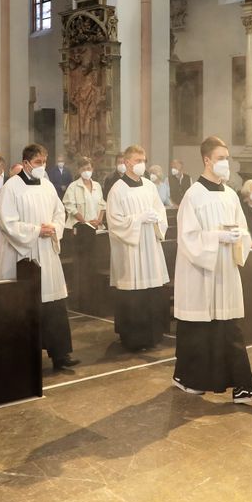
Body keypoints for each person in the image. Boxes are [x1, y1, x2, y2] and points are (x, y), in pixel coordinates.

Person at [172, 135, 252, 403]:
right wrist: (216, 237)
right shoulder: (193, 195)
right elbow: (188, 238)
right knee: (198, 329)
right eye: (221, 159)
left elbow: (242, 229)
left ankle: (242, 386)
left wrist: (239, 237)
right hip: (201, 271)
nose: (226, 163)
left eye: (227, 158)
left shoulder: (230, 195)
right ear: (207, 160)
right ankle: (187, 377)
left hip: (225, 270)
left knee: (230, 327)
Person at [0, 143, 78, 370]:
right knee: (24, 306)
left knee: (54, 304)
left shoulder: (48, 186)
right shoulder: (10, 188)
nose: (43, 166)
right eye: (39, 162)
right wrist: (36, 230)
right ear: (26, 163)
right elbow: (7, 222)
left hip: (47, 252)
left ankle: (60, 355)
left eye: (45, 162)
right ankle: (20, 356)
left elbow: (60, 213)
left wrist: (54, 228)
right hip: (22, 256)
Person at [106, 145, 170, 351]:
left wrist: (157, 219)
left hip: (150, 245)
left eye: (144, 160)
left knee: (151, 292)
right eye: (137, 160)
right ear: (126, 163)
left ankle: (153, 335)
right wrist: (137, 219)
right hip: (130, 249)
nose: (142, 164)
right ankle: (132, 338)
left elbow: (160, 211)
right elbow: (114, 222)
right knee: (133, 294)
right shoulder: (117, 189)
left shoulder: (150, 186)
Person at [62, 157, 105, 232]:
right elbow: (70, 207)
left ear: (92, 169)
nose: (86, 171)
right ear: (79, 170)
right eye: (83, 169)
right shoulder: (73, 186)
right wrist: (86, 223)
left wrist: (99, 221)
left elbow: (102, 204)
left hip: (97, 227)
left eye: (88, 168)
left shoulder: (97, 186)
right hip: (79, 228)